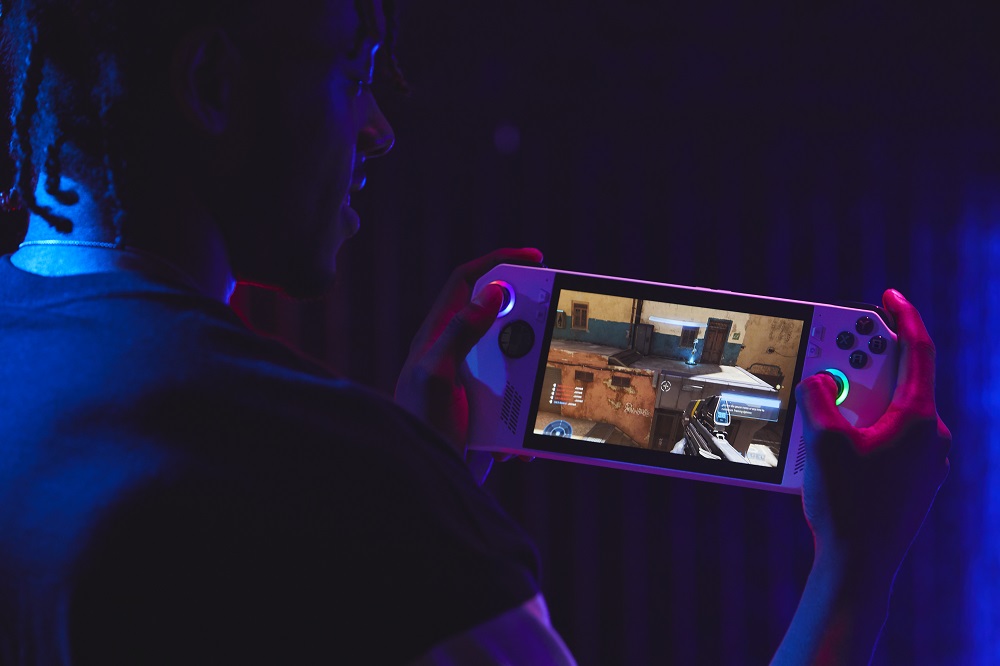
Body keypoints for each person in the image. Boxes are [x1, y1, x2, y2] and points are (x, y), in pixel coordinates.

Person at [0, 0, 950, 664]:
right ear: (210, 82)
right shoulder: (337, 481)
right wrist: (857, 567)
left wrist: (420, 480)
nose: (376, 129)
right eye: (353, 67)